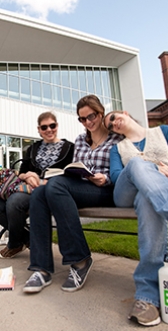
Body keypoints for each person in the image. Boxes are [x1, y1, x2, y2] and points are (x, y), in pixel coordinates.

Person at [23, 94, 123, 294]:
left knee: (55, 186)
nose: (88, 122)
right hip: (83, 187)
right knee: (40, 193)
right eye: (82, 119)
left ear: (100, 112)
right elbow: (76, 167)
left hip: (106, 190)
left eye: (91, 116)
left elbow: (123, 170)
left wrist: (105, 178)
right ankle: (41, 268)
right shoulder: (80, 139)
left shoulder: (116, 138)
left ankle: (80, 260)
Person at [104, 110, 168, 327]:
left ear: (124, 113)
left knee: (147, 198)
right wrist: (149, 168)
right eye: (110, 126)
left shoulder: (163, 131)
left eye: (113, 117)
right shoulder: (118, 148)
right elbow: (115, 177)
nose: (113, 124)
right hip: (125, 192)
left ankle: (147, 298)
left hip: (160, 189)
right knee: (135, 164)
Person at [0, 111, 74, 258]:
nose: (49, 130)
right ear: (39, 130)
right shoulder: (32, 148)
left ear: (57, 126)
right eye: (44, 127)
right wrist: (27, 175)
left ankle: (15, 244)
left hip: (52, 190)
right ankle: (26, 240)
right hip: (29, 189)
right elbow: (20, 173)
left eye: (52, 126)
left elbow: (71, 174)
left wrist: (42, 181)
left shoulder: (69, 148)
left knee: (14, 202)